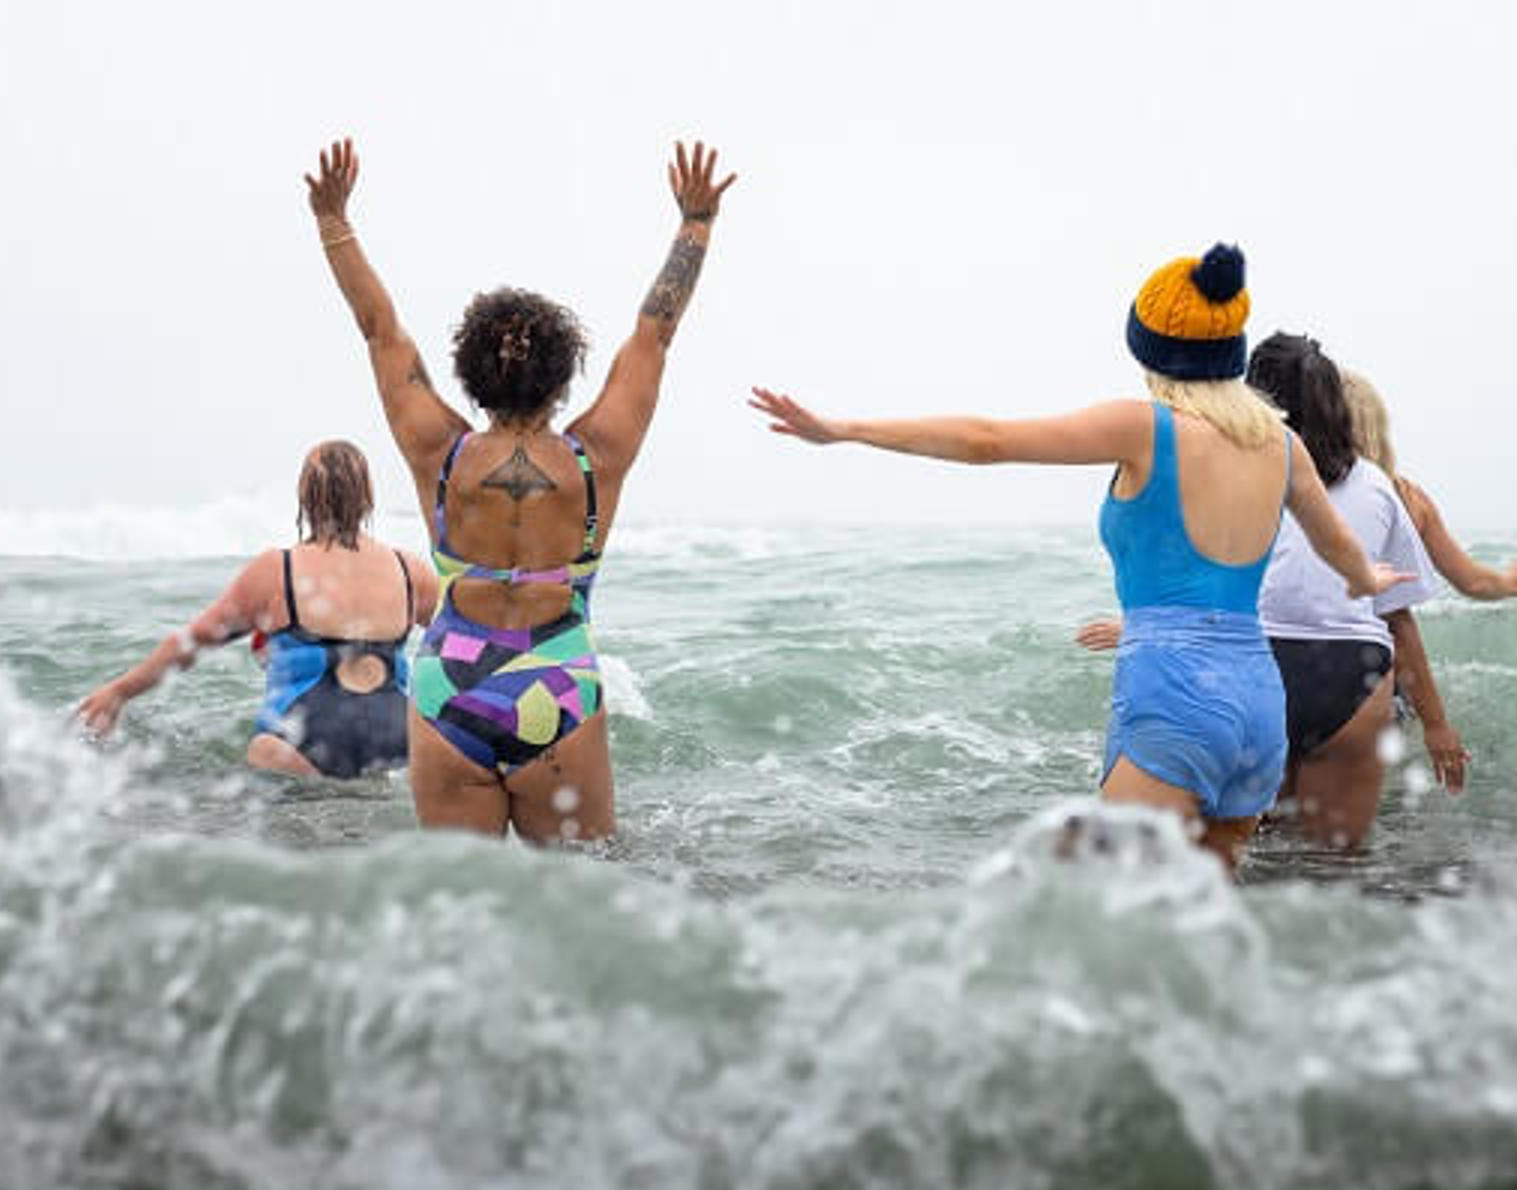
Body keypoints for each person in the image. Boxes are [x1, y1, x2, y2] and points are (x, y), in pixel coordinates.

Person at [752, 245, 1407, 871]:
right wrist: (1366, 576)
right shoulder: (1280, 444)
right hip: (1259, 707)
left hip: (1175, 697)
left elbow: (987, 441)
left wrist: (845, 431)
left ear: (1149, 347)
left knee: (1118, 901)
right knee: (1202, 909)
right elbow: (1338, 547)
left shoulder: (1145, 427)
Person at [303, 137, 734, 840]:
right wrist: (696, 224)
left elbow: (380, 331)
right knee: (580, 893)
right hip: (556, 683)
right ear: (565, 374)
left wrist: (333, 222)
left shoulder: (438, 451)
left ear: (470, 373)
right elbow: (655, 333)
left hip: (448, 687)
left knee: (462, 891)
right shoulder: (598, 455)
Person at [77, 441, 438, 777]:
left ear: (304, 495)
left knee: (263, 787)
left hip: (304, 737)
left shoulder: (278, 569)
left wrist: (119, 692)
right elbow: (458, 644)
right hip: (397, 733)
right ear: (368, 496)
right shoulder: (409, 570)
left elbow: (194, 641)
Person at [1249, 334, 1465, 848]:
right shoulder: (1374, 485)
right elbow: (1398, 618)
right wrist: (1436, 726)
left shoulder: (1238, 476)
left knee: (1256, 851)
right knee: (1335, 861)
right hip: (1351, 675)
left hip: (1257, 670)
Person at [1343, 368, 1517, 600]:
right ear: (1379, 429)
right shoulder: (1407, 497)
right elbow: (1474, 583)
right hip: (1388, 623)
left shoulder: (1311, 495)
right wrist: (1513, 582)